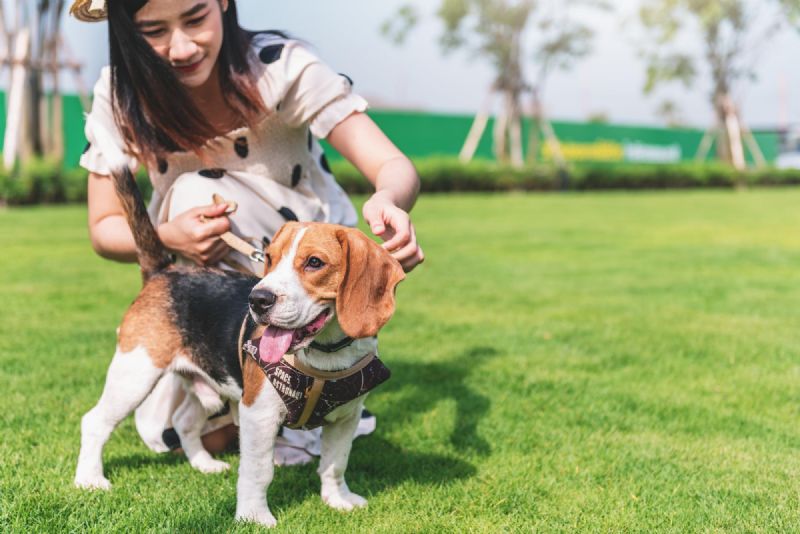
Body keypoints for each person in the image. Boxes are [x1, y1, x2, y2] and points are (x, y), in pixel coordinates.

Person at [73, 0, 424, 465]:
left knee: (197, 188)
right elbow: (103, 229)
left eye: (196, 18)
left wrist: (389, 199)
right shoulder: (120, 92)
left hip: (300, 254)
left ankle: (321, 387)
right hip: (195, 282)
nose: (180, 48)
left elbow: (392, 164)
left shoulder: (281, 65)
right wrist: (168, 237)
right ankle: (286, 395)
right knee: (173, 431)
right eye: (153, 30)